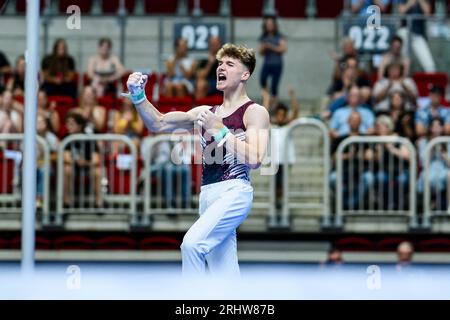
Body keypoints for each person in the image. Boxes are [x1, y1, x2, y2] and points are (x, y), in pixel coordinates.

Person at [123, 43, 270, 277]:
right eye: (220, 63)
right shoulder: (205, 111)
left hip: (235, 191)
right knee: (225, 275)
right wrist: (139, 96)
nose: (221, 67)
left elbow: (255, 158)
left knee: (191, 245)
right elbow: (158, 123)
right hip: (208, 195)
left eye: (230, 64)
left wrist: (219, 129)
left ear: (245, 74)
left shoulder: (255, 112)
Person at [262, 87, 299, 209]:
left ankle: (282, 203)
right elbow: (264, 114)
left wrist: (292, 97)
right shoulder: (272, 126)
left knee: (283, 183)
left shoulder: (289, 126)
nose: (281, 117)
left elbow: (295, 112)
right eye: (279, 115)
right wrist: (266, 98)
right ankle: (275, 203)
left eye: (283, 115)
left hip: (286, 160)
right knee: (275, 184)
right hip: (274, 160)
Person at [62, 112, 102, 208]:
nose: (68, 126)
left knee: (97, 171)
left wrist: (85, 163)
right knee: (66, 169)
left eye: (71, 124)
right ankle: (66, 202)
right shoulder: (66, 138)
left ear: (80, 126)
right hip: (72, 166)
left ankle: (99, 203)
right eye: (67, 123)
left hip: (88, 166)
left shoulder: (89, 138)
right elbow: (66, 158)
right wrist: (76, 162)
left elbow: (96, 159)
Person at [416, 118, 450, 212]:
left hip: (444, 172)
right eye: (433, 126)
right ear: (430, 128)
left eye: (438, 126)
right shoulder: (423, 142)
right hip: (428, 172)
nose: (436, 129)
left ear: (442, 128)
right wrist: (431, 148)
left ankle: (449, 208)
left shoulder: (447, 141)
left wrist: (443, 152)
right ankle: (427, 209)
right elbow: (423, 163)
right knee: (426, 177)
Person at [396, 0, 436, 72]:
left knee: (430, 65)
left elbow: (427, 12)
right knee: (403, 62)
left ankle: (432, 82)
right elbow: (401, 11)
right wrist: (410, 3)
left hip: (417, 34)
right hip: (404, 31)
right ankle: (402, 81)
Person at [259, 15, 287, 110]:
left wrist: (271, 47)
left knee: (274, 86)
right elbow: (260, 52)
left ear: (274, 25)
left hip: (277, 64)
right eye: (267, 24)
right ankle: (266, 101)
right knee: (263, 80)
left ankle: (274, 106)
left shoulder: (279, 36)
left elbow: (283, 49)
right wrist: (264, 47)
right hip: (267, 63)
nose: (269, 26)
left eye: (271, 24)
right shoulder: (263, 37)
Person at [36, 113, 59, 209]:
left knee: (44, 170)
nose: (39, 124)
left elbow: (57, 154)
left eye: (42, 122)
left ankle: (40, 199)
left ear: (46, 124)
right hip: (32, 165)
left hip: (46, 165)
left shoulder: (51, 137)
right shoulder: (28, 136)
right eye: (37, 122)